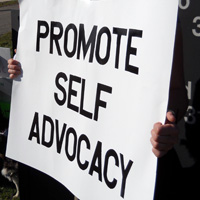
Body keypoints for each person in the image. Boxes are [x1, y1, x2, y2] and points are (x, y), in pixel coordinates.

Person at [7, 22, 188, 199]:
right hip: (78, 156)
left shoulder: (158, 9)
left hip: (134, 165)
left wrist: (168, 122)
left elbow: (178, 91)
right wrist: (24, 68)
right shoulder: (61, 8)